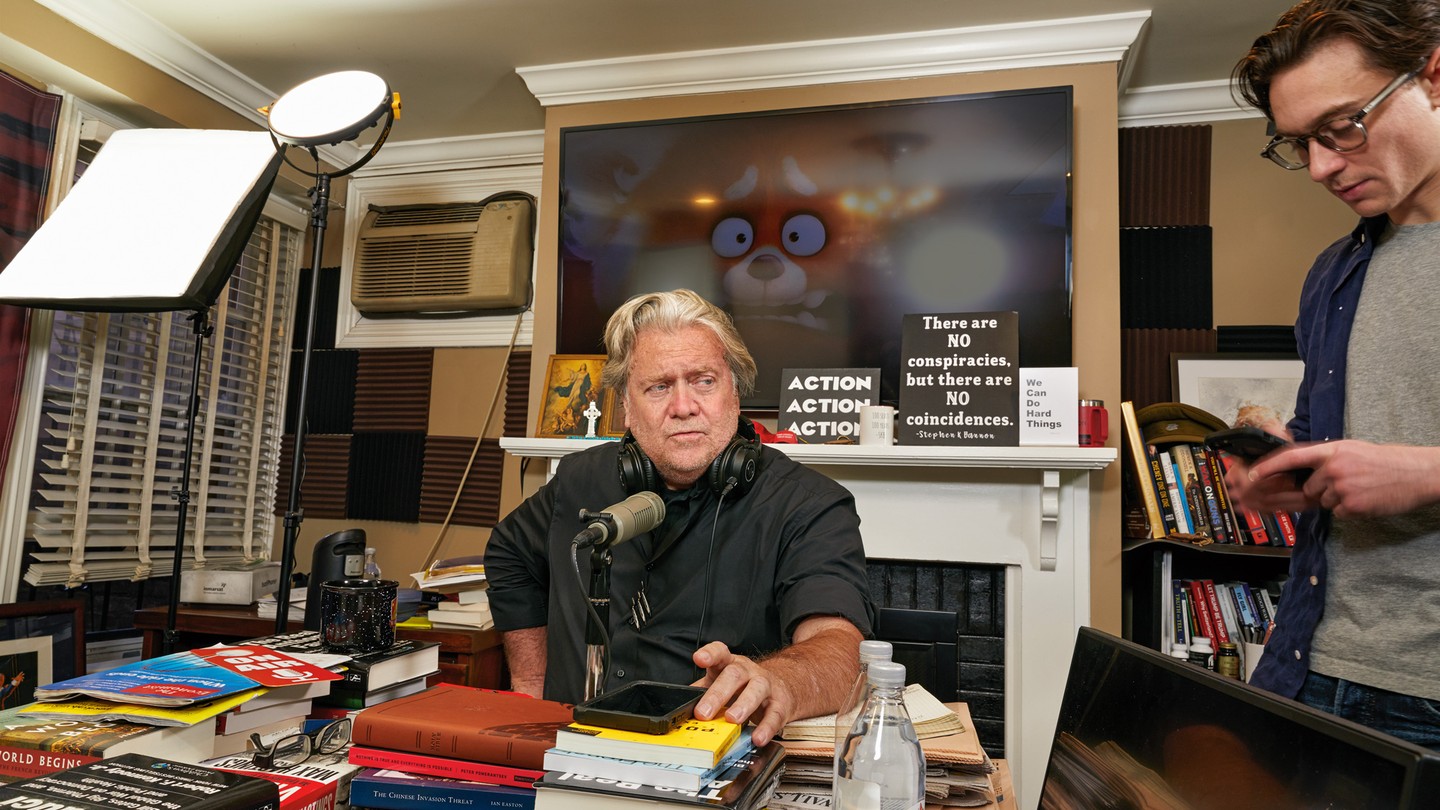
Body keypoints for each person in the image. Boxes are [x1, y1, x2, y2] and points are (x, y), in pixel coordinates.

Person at [484, 289, 874, 746]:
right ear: (626, 407)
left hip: (703, 759)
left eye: (704, 381)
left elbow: (841, 649)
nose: (684, 406)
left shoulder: (809, 505)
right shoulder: (581, 478)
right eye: (659, 386)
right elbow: (510, 554)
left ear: (734, 390)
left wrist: (781, 679)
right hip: (573, 748)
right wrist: (531, 688)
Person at [1227, 0, 1440, 748]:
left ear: (1434, 76)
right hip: (1315, 664)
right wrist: (1285, 467)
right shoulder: (1333, 273)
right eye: (1299, 144)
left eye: (1341, 127)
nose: (1320, 168)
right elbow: (1330, 439)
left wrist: (1429, 473)